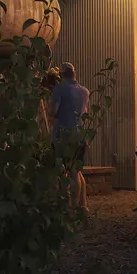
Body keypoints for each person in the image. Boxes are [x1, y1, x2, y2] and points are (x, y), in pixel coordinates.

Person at [50, 62, 91, 209]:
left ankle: (66, 207)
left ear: (61, 75)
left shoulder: (59, 89)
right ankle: (77, 207)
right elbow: (85, 113)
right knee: (76, 172)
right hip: (79, 135)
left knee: (61, 171)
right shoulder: (85, 92)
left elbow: (53, 111)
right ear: (74, 73)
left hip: (62, 135)